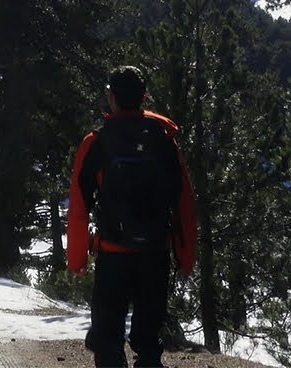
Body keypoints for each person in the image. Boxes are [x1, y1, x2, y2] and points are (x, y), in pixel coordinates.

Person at [67, 65, 198, 368]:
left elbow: (79, 206)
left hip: (113, 254)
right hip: (155, 253)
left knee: (107, 339)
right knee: (149, 342)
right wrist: (186, 256)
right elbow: (184, 203)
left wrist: (76, 259)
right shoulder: (164, 139)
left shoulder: (96, 141)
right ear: (143, 97)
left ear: (111, 97)